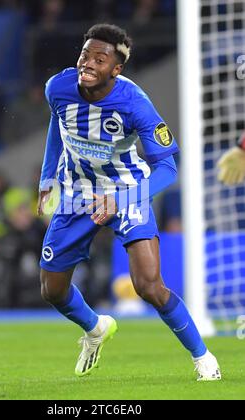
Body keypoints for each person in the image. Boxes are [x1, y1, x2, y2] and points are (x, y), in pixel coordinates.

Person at [37, 24, 221, 381]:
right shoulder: (58, 88)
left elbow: (167, 169)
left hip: (126, 190)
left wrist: (120, 199)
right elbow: (56, 124)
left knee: (149, 286)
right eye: (85, 55)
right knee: (52, 290)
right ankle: (95, 328)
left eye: (99, 59)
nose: (87, 64)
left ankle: (203, 357)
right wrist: (48, 175)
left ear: (116, 70)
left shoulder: (135, 103)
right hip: (77, 193)